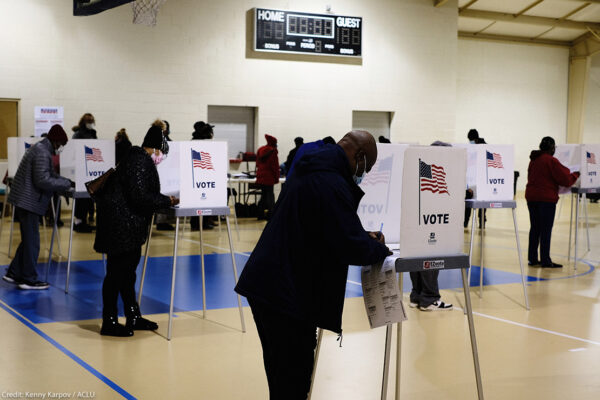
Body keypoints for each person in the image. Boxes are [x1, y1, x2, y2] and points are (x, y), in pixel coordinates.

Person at [235, 130, 390, 400]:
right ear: (360, 156)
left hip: (272, 284)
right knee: (292, 378)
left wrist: (361, 235)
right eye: (367, 167)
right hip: (284, 292)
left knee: (283, 375)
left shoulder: (312, 166)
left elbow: (323, 226)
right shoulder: (330, 181)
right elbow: (347, 244)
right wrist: (378, 249)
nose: (363, 174)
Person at [94, 124, 179, 337]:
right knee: (116, 274)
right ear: (155, 148)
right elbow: (140, 196)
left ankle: (132, 315)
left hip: (123, 225)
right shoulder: (140, 161)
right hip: (122, 226)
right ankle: (109, 321)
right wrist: (167, 200)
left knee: (126, 274)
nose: (161, 156)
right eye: (161, 151)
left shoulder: (135, 158)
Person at [3, 125, 73, 290]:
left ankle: (13, 273)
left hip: (25, 200)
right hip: (28, 201)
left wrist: (65, 181)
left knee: (28, 240)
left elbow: (49, 174)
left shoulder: (41, 148)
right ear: (56, 141)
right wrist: (67, 184)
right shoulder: (42, 151)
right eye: (61, 144)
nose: (61, 148)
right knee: (33, 242)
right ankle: (28, 279)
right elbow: (42, 179)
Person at [409, 141, 453, 311]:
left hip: (417, 219)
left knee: (418, 255)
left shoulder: (421, 167)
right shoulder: (435, 169)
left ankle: (417, 296)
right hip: (431, 219)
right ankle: (429, 298)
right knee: (431, 256)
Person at [526, 136, 579, 269]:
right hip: (546, 199)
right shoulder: (551, 160)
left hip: (531, 198)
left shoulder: (534, 160)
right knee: (545, 230)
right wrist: (576, 175)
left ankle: (532, 258)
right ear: (552, 148)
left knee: (535, 228)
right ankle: (545, 260)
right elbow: (565, 179)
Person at [72, 113, 98, 233]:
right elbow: (74, 150)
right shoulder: (77, 134)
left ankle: (85, 221)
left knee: (88, 198)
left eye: (92, 121)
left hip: (90, 169)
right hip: (81, 169)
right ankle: (78, 222)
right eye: (89, 121)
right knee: (80, 199)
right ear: (84, 122)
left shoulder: (93, 133)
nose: (91, 123)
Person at [190, 121, 217, 230]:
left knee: (197, 201)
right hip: (203, 175)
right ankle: (203, 223)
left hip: (195, 176)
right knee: (204, 200)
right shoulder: (205, 144)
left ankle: (197, 223)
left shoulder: (193, 141)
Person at [256, 134, 280, 220]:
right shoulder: (273, 151)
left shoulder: (260, 149)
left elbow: (257, 164)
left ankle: (260, 214)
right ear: (273, 142)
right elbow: (274, 166)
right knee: (270, 196)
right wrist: (277, 177)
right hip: (269, 177)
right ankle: (271, 215)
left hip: (260, 176)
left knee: (263, 195)